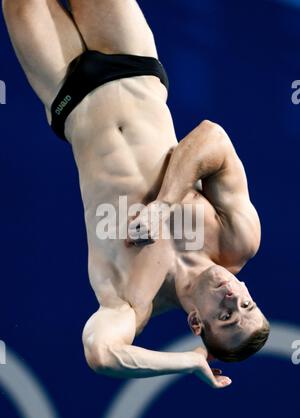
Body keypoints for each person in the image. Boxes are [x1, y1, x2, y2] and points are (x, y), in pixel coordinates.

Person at [2, 0, 269, 389]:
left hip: (66, 92)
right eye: (247, 304)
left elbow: (101, 352)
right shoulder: (238, 240)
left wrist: (187, 362)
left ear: (196, 323)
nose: (233, 299)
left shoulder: (131, 302)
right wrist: (163, 206)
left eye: (227, 316)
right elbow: (213, 138)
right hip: (132, 61)